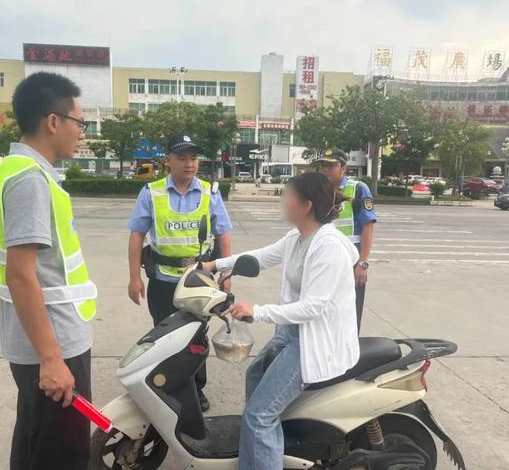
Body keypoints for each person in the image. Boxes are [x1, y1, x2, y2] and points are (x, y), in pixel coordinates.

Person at [203, 172, 359, 469]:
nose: (282, 201)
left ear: (307, 205)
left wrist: (257, 311)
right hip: (292, 333)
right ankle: (259, 451)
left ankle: (262, 448)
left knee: (259, 417)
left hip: (313, 341)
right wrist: (212, 264)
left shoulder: (328, 247)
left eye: (288, 196)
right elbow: (259, 257)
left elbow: (313, 307)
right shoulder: (298, 237)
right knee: (254, 376)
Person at [0, 72, 97, 470]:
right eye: (80, 123)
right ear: (53, 121)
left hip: (50, 338)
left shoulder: (22, 171)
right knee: (61, 452)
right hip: (53, 346)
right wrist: (52, 360)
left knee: (39, 442)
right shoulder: (30, 180)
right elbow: (21, 275)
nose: (81, 134)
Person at [127, 134, 233, 412]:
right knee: (163, 336)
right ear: (168, 161)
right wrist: (134, 277)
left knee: (196, 336)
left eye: (194, 158)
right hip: (162, 279)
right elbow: (137, 235)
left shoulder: (210, 192)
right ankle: (164, 384)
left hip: (199, 280)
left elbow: (223, 234)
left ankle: (196, 390)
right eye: (182, 158)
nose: (189, 164)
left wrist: (227, 273)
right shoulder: (152, 193)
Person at [318, 149, 376, 333]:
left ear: (343, 168)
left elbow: (368, 226)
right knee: (324, 310)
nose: (325, 169)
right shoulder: (319, 191)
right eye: (323, 165)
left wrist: (363, 263)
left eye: (331, 165)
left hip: (352, 262)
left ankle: (349, 357)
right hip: (325, 261)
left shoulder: (358, 189)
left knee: (350, 312)